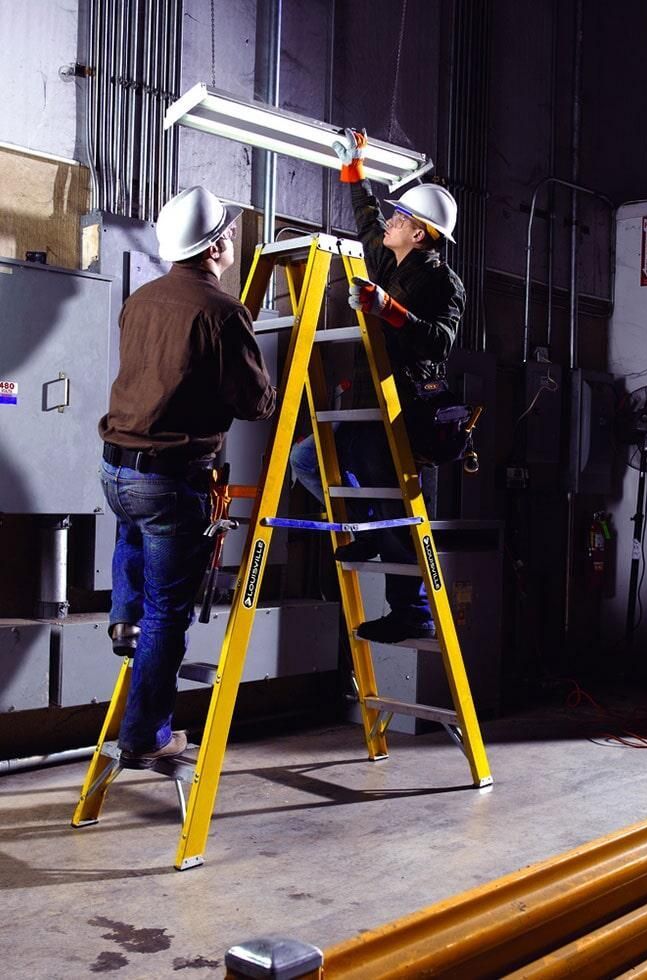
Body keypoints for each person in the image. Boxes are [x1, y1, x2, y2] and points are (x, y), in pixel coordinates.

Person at [99, 185, 276, 768]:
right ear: (218, 244)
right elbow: (255, 403)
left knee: (133, 532)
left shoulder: (140, 299)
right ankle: (145, 736)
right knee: (168, 618)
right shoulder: (224, 312)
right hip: (172, 480)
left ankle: (123, 617)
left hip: (115, 469)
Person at [290, 129, 465, 644]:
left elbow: (439, 343)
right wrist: (353, 168)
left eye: (403, 218)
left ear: (422, 234)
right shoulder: (389, 259)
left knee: (394, 509)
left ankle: (410, 610)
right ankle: (362, 523)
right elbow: (368, 221)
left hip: (404, 409)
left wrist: (389, 310)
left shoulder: (442, 281)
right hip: (369, 401)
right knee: (306, 461)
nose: (392, 221)